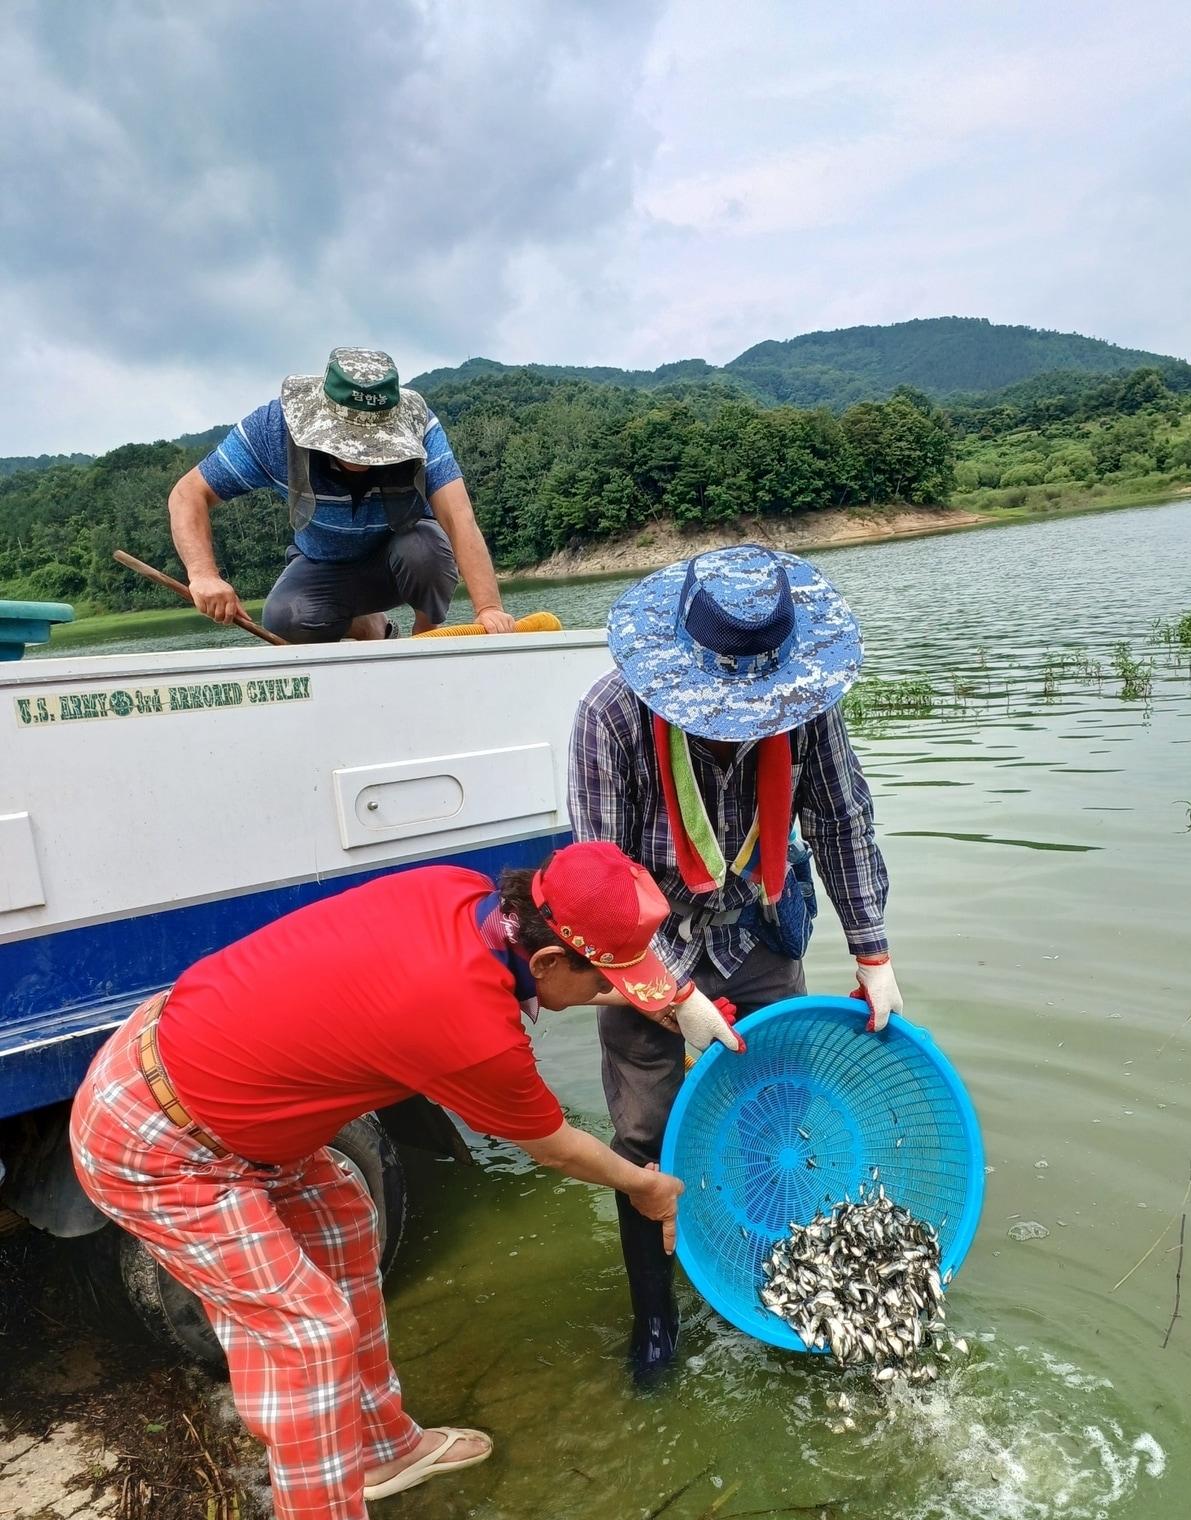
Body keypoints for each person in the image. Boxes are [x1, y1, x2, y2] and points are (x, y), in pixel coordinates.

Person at [69, 843, 732, 1520]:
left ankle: (381, 1446)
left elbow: (558, 985)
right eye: (605, 975)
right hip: (162, 1136)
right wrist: (648, 1185)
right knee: (303, 1334)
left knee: (345, 1207)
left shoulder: (468, 898)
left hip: (214, 1077)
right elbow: (552, 1145)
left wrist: (672, 999)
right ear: (543, 959)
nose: (616, 989)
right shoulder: (466, 1019)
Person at [569, 544, 901, 1379]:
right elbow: (599, 892)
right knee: (644, 1130)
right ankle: (654, 1319)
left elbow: (843, 821)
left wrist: (872, 949)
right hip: (645, 939)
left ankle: (773, 1279)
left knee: (772, 1110)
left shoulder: (804, 708)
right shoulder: (608, 719)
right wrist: (675, 997)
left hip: (756, 925)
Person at [167, 347, 515, 643]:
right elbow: (188, 493)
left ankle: (424, 631)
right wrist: (203, 574)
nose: (360, 454)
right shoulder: (273, 430)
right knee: (283, 617)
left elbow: (458, 517)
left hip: (402, 560)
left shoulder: (419, 425)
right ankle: (367, 626)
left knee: (424, 551)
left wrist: (489, 609)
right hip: (324, 565)